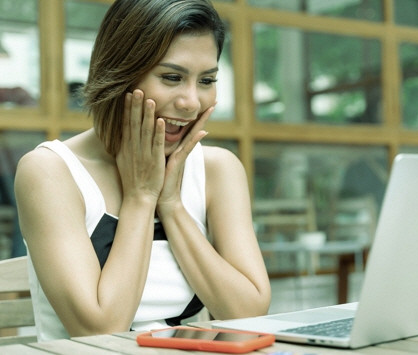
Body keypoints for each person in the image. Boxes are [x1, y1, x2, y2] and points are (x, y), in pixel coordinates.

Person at [14, 0, 271, 342]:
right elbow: (99, 330)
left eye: (207, 80)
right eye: (171, 77)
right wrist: (141, 195)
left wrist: (172, 205)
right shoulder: (50, 172)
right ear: (120, 71)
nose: (191, 102)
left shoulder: (218, 170)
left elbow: (249, 315)